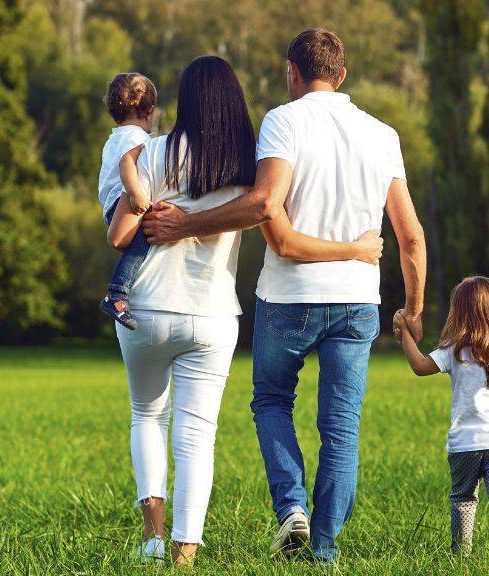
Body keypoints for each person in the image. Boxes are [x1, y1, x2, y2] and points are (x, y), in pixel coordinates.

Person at [141, 28, 428, 562]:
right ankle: (322, 550)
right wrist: (412, 309)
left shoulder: (283, 121)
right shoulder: (382, 134)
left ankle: (292, 510)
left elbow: (265, 204)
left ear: (291, 71)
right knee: (341, 427)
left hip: (288, 297)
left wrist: (185, 224)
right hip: (357, 300)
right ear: (341, 76)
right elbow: (409, 235)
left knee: (272, 401)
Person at [392, 276, 489, 565]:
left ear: (459, 311)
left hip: (465, 445)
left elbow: (420, 367)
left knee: (463, 498)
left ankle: (461, 553)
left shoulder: (455, 348)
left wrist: (404, 335)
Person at [97, 72, 157, 329]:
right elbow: (126, 164)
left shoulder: (116, 136)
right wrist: (136, 193)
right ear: (150, 111)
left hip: (110, 206)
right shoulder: (137, 137)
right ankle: (118, 293)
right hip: (123, 202)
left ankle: (122, 292)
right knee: (145, 237)